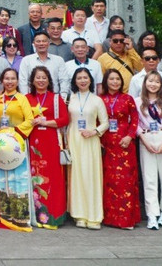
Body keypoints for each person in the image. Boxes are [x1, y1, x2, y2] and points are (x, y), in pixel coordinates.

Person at [26, 66, 69, 230]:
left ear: (49, 80)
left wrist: (46, 122)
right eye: (38, 77)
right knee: (35, 177)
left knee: (54, 178)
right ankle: (37, 215)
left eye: (44, 77)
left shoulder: (56, 98)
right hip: (33, 142)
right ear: (32, 80)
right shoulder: (27, 98)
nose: (41, 80)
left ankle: (54, 216)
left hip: (51, 141)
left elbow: (65, 119)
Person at [135, 70, 162, 230]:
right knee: (149, 178)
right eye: (150, 81)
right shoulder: (137, 101)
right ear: (145, 83)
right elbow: (136, 123)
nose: (153, 84)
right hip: (146, 139)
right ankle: (152, 214)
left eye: (157, 82)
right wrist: (144, 141)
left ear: (161, 85)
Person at [67, 67, 109, 230]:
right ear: (75, 81)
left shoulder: (97, 100)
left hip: (91, 140)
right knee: (76, 176)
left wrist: (94, 131)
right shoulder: (70, 98)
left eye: (85, 77)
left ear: (91, 80)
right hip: (74, 139)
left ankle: (94, 216)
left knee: (91, 176)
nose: (82, 80)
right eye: (79, 78)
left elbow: (105, 122)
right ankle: (79, 215)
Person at [100, 68, 141, 230]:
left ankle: (126, 220)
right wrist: (100, 140)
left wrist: (130, 136)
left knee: (126, 181)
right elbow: (96, 120)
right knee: (109, 182)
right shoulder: (100, 99)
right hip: (107, 144)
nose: (115, 82)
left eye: (117, 79)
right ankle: (110, 218)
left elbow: (135, 119)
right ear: (106, 81)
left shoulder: (127, 99)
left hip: (125, 144)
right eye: (111, 79)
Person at [0, 68, 34, 232]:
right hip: (2, 146)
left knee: (19, 179)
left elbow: (30, 120)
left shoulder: (22, 99)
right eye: (6, 78)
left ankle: (21, 218)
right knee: (3, 179)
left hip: (17, 144)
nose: (9, 82)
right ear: (2, 81)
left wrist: (14, 132)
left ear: (17, 81)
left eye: (13, 79)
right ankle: (5, 216)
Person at [129, 47, 162, 114]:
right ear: (142, 61)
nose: (151, 60)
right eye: (147, 58)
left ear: (158, 60)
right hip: (142, 119)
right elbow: (131, 102)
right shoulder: (135, 79)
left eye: (154, 58)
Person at [18, 31, 65, 96]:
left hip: (54, 97)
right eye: (38, 41)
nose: (41, 44)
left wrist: (62, 98)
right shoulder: (26, 60)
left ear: (49, 43)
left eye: (44, 41)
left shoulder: (59, 60)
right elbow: (23, 82)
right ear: (33, 43)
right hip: (32, 98)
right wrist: (26, 99)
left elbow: (64, 80)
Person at [97, 29, 142, 93]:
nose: (118, 43)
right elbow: (100, 81)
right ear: (110, 42)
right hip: (113, 96)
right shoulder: (102, 58)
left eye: (121, 41)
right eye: (115, 41)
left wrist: (131, 49)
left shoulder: (130, 54)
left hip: (131, 94)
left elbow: (141, 68)